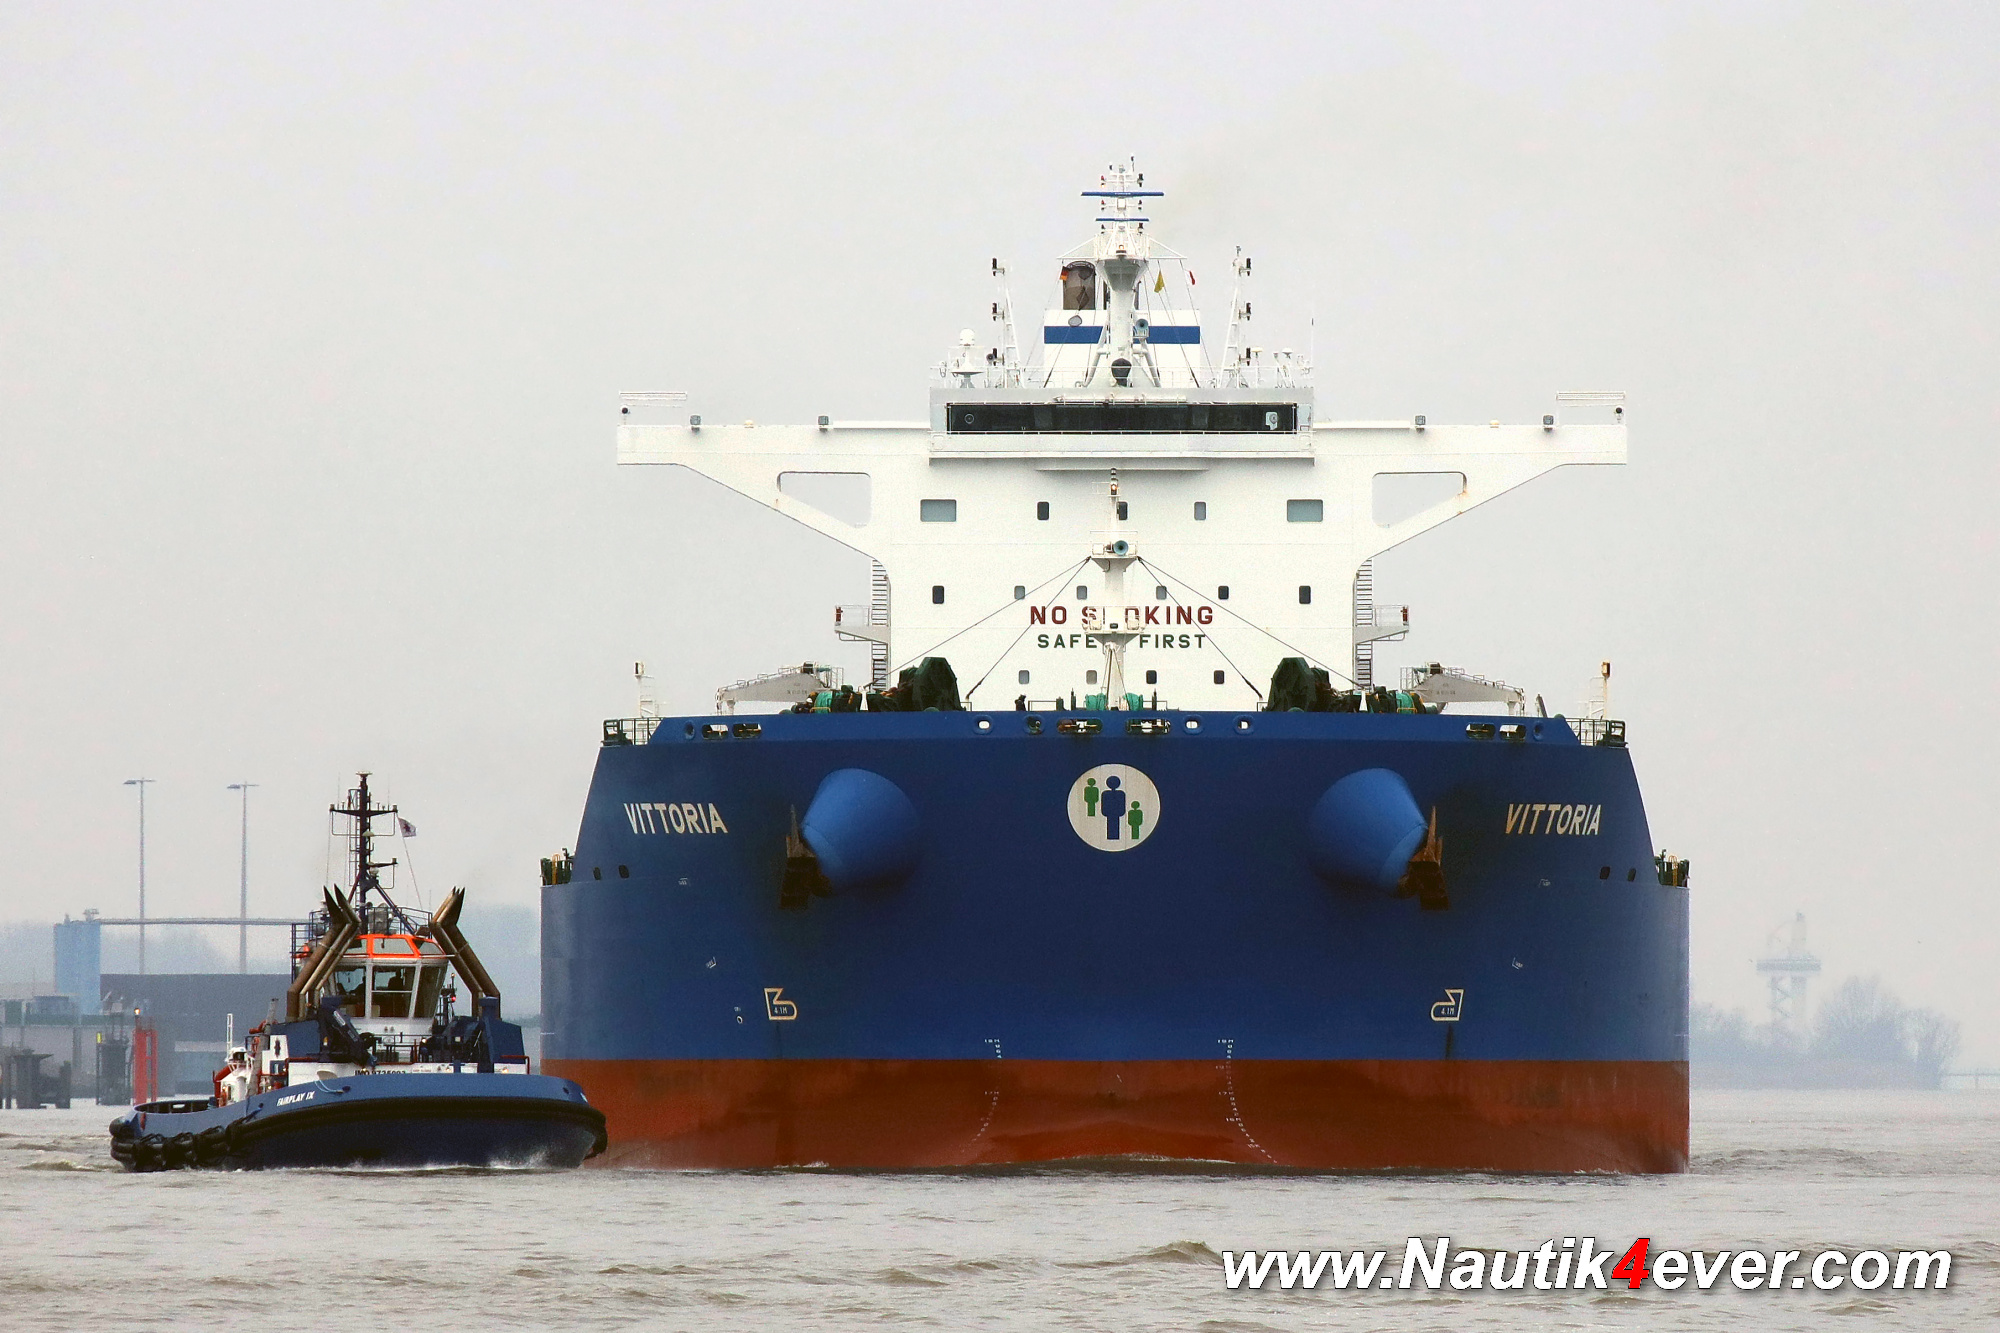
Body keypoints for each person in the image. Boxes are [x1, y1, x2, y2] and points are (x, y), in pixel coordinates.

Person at [1101, 776, 1126, 841]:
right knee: (1113, 825)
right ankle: (1113, 836)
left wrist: (1105, 812)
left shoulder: (1106, 793)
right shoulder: (1120, 793)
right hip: (1114, 813)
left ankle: (1112, 836)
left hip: (1111, 813)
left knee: (1112, 825)